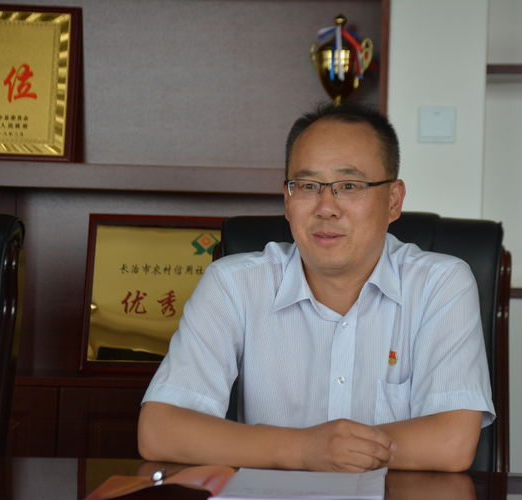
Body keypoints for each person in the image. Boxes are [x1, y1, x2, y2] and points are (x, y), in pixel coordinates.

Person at [138, 102, 495, 472]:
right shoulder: (233, 284)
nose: (326, 208)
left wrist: (328, 451)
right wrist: (304, 449)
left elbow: (451, 443)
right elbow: (160, 431)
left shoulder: (439, 284)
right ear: (287, 200)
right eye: (307, 186)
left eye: (349, 186)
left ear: (393, 200)